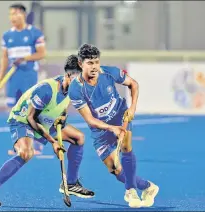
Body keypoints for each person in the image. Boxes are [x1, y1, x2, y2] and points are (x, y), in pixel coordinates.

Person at [0, 55, 94, 207]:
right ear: (68, 75)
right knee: (26, 153)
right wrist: (53, 142)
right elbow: (32, 118)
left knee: (79, 137)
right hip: (23, 120)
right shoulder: (47, 89)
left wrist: (62, 117)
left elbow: (61, 108)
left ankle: (70, 183)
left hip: (45, 120)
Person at [68, 44, 159, 208]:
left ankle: (130, 190)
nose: (94, 66)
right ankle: (148, 187)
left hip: (120, 116)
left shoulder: (110, 72)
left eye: (96, 62)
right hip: (100, 130)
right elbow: (90, 120)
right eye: (90, 63)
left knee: (126, 146)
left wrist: (132, 108)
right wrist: (111, 129)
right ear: (81, 64)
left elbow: (134, 84)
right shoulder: (76, 88)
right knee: (115, 170)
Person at [0, 3, 46, 155]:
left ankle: (35, 145)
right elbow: (4, 59)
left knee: (30, 112)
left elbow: (41, 53)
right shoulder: (7, 36)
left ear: (23, 15)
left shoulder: (35, 33)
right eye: (11, 14)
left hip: (29, 78)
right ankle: (19, 145)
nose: (13, 17)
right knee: (14, 113)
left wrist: (24, 58)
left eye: (16, 14)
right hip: (13, 80)